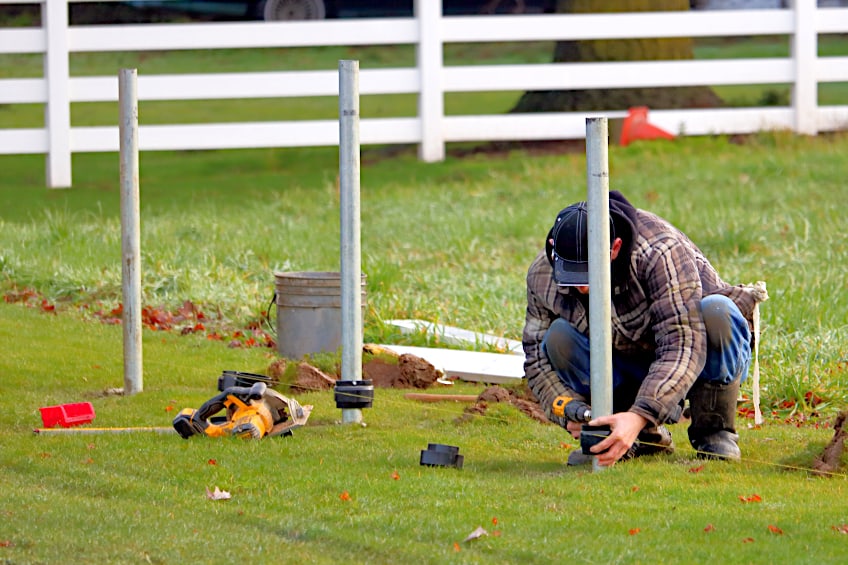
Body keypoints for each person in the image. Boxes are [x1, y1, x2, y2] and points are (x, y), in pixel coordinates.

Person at [523, 190, 766, 467]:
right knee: (558, 338)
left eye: (590, 274)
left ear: (614, 248)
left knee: (717, 311)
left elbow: (683, 344)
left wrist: (639, 414)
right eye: (572, 274)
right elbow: (536, 357)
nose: (581, 286)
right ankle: (640, 438)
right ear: (554, 248)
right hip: (624, 355)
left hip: (694, 354)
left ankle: (714, 431)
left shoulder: (660, 252)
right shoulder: (541, 274)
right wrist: (570, 409)